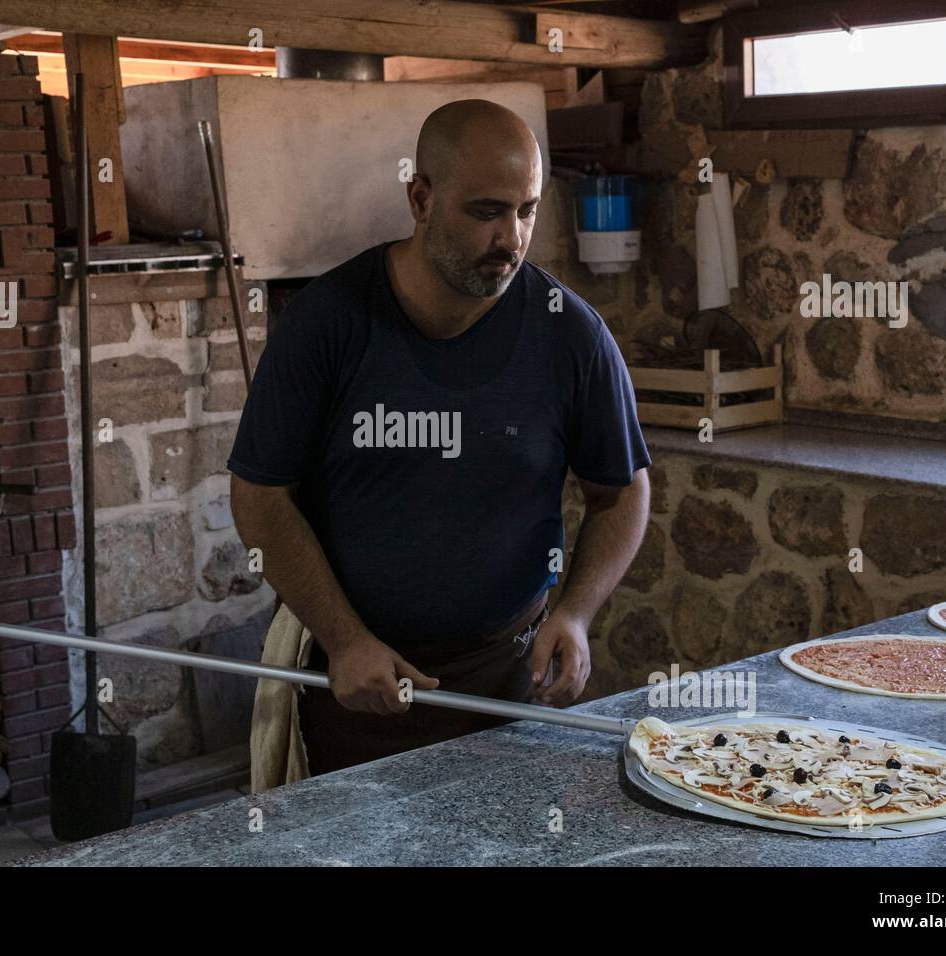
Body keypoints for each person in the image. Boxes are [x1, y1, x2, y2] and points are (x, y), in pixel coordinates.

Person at [228, 99, 652, 774]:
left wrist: (574, 611)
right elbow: (260, 496)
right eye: (486, 211)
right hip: (357, 689)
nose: (512, 238)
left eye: (527, 210)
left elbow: (622, 491)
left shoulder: (570, 334)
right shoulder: (326, 326)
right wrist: (343, 639)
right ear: (420, 198)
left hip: (510, 681)